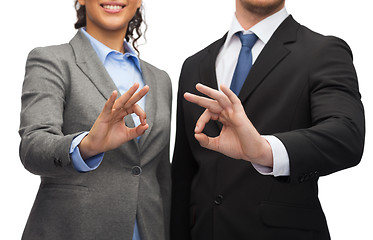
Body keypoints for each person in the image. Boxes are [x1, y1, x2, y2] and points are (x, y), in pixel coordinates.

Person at [170, 0, 365, 239]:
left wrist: (264, 150)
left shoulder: (323, 51)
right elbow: (183, 174)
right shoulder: (194, 65)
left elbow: (346, 135)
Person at [19, 0, 172, 239]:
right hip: (73, 230)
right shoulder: (52, 61)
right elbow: (32, 147)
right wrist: (87, 145)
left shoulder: (161, 79)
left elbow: (161, 175)